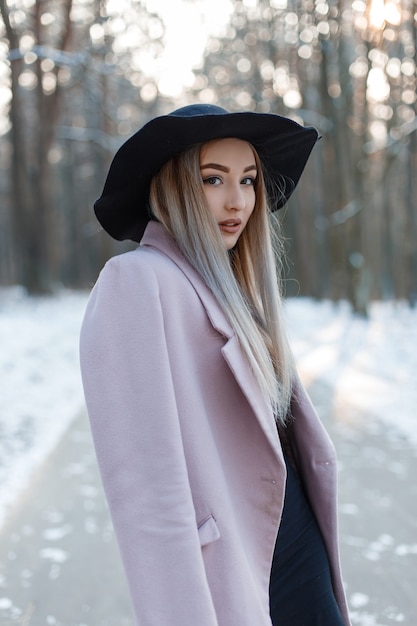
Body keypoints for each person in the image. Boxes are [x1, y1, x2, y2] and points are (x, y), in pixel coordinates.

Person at [80, 103, 351, 626]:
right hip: (226, 554)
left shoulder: (235, 286)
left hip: (293, 536)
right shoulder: (136, 281)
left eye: (248, 180)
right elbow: (146, 491)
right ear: (174, 188)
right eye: (213, 179)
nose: (238, 201)